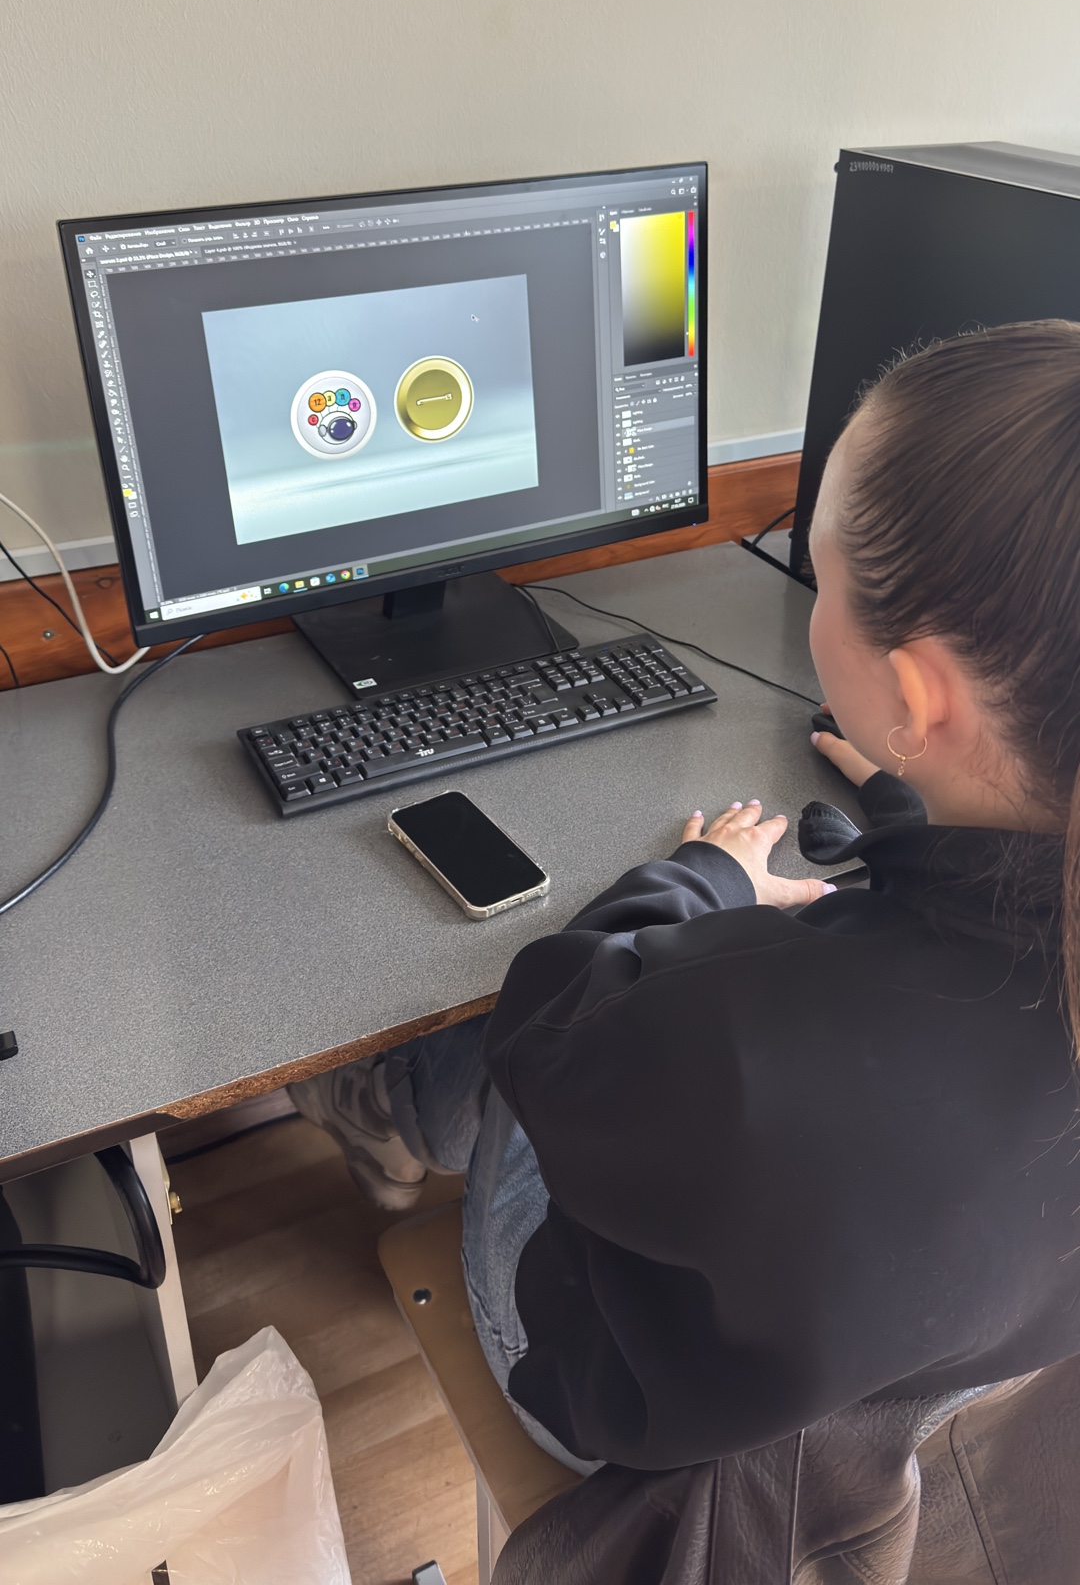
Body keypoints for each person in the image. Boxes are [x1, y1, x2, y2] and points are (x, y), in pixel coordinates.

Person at [292, 321, 1080, 1528]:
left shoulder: (741, 1030)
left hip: (624, 1408)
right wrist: (914, 799)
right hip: (890, 1402)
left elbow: (552, 1014)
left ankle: (386, 1117)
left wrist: (705, 878)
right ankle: (394, 1115)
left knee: (508, 1015)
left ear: (918, 695)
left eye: (822, 577)